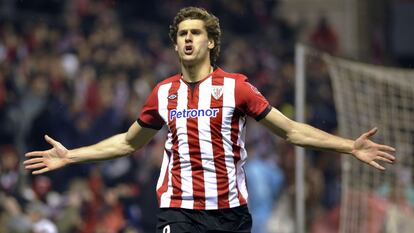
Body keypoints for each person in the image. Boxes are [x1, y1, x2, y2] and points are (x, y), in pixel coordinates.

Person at [24, 6, 396, 233]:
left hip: (229, 214)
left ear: (210, 42)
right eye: (182, 34)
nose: (188, 39)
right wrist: (71, 155)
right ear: (175, 44)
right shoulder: (163, 93)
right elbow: (126, 142)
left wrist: (348, 145)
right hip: (178, 210)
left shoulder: (238, 89)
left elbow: (292, 131)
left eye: (195, 33)